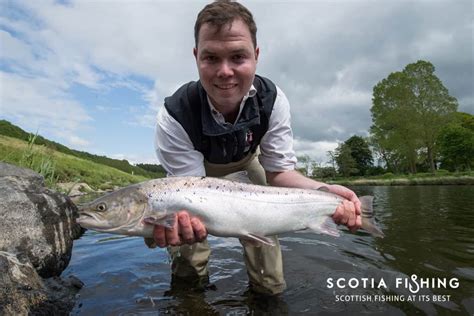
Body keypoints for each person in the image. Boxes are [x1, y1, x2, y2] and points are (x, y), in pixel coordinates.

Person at [147, 0, 362, 295]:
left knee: (267, 257)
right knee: (187, 244)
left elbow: (280, 172)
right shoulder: (175, 115)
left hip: (250, 163)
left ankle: (267, 296)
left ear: (257, 55)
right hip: (192, 179)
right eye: (211, 58)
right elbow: (190, 190)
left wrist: (323, 191)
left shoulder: (272, 101)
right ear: (196, 56)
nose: (225, 71)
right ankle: (188, 297)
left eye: (238, 56)